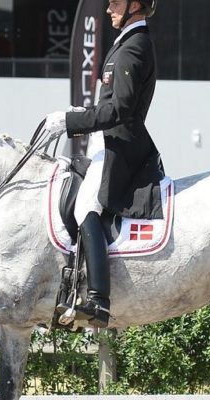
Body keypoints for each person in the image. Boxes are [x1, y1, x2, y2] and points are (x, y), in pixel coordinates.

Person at [44, 0, 164, 328]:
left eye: (115, 1)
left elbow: (120, 111)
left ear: (135, 5)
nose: (109, 6)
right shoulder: (125, 42)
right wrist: (78, 116)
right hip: (107, 143)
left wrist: (72, 121)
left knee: (85, 208)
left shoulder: (134, 47)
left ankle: (98, 300)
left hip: (120, 149)